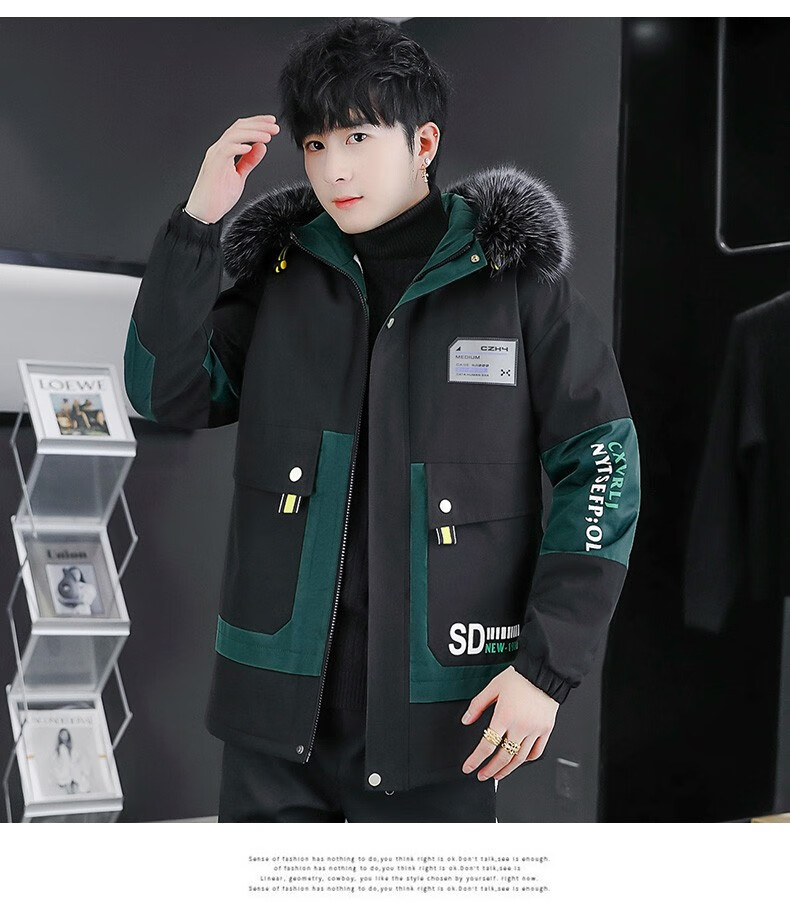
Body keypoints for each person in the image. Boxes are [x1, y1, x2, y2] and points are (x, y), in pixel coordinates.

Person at [124, 18, 640, 822]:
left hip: (445, 716)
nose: (335, 168)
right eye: (317, 144)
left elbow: (602, 463)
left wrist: (547, 670)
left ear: (423, 143)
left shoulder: (513, 287)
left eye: (359, 137)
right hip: (275, 721)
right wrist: (197, 223)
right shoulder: (282, 276)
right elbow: (163, 391)